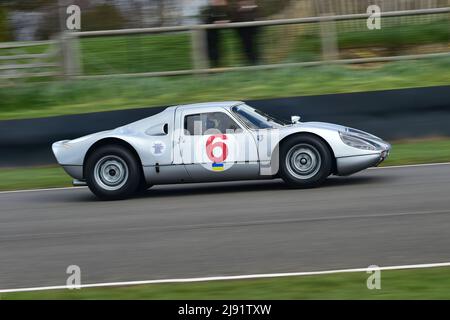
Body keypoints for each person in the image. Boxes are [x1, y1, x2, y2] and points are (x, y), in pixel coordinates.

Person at [202, 0, 231, 68]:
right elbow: (207, 20)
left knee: (218, 51)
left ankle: (217, 66)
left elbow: (227, 18)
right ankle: (213, 67)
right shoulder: (209, 9)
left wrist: (226, 21)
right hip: (209, 34)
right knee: (212, 51)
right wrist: (215, 22)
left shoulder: (221, 9)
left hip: (216, 34)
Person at [233, 0, 260, 65]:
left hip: (253, 25)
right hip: (242, 26)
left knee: (253, 45)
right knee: (247, 45)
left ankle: (254, 62)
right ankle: (251, 62)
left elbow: (257, 9)